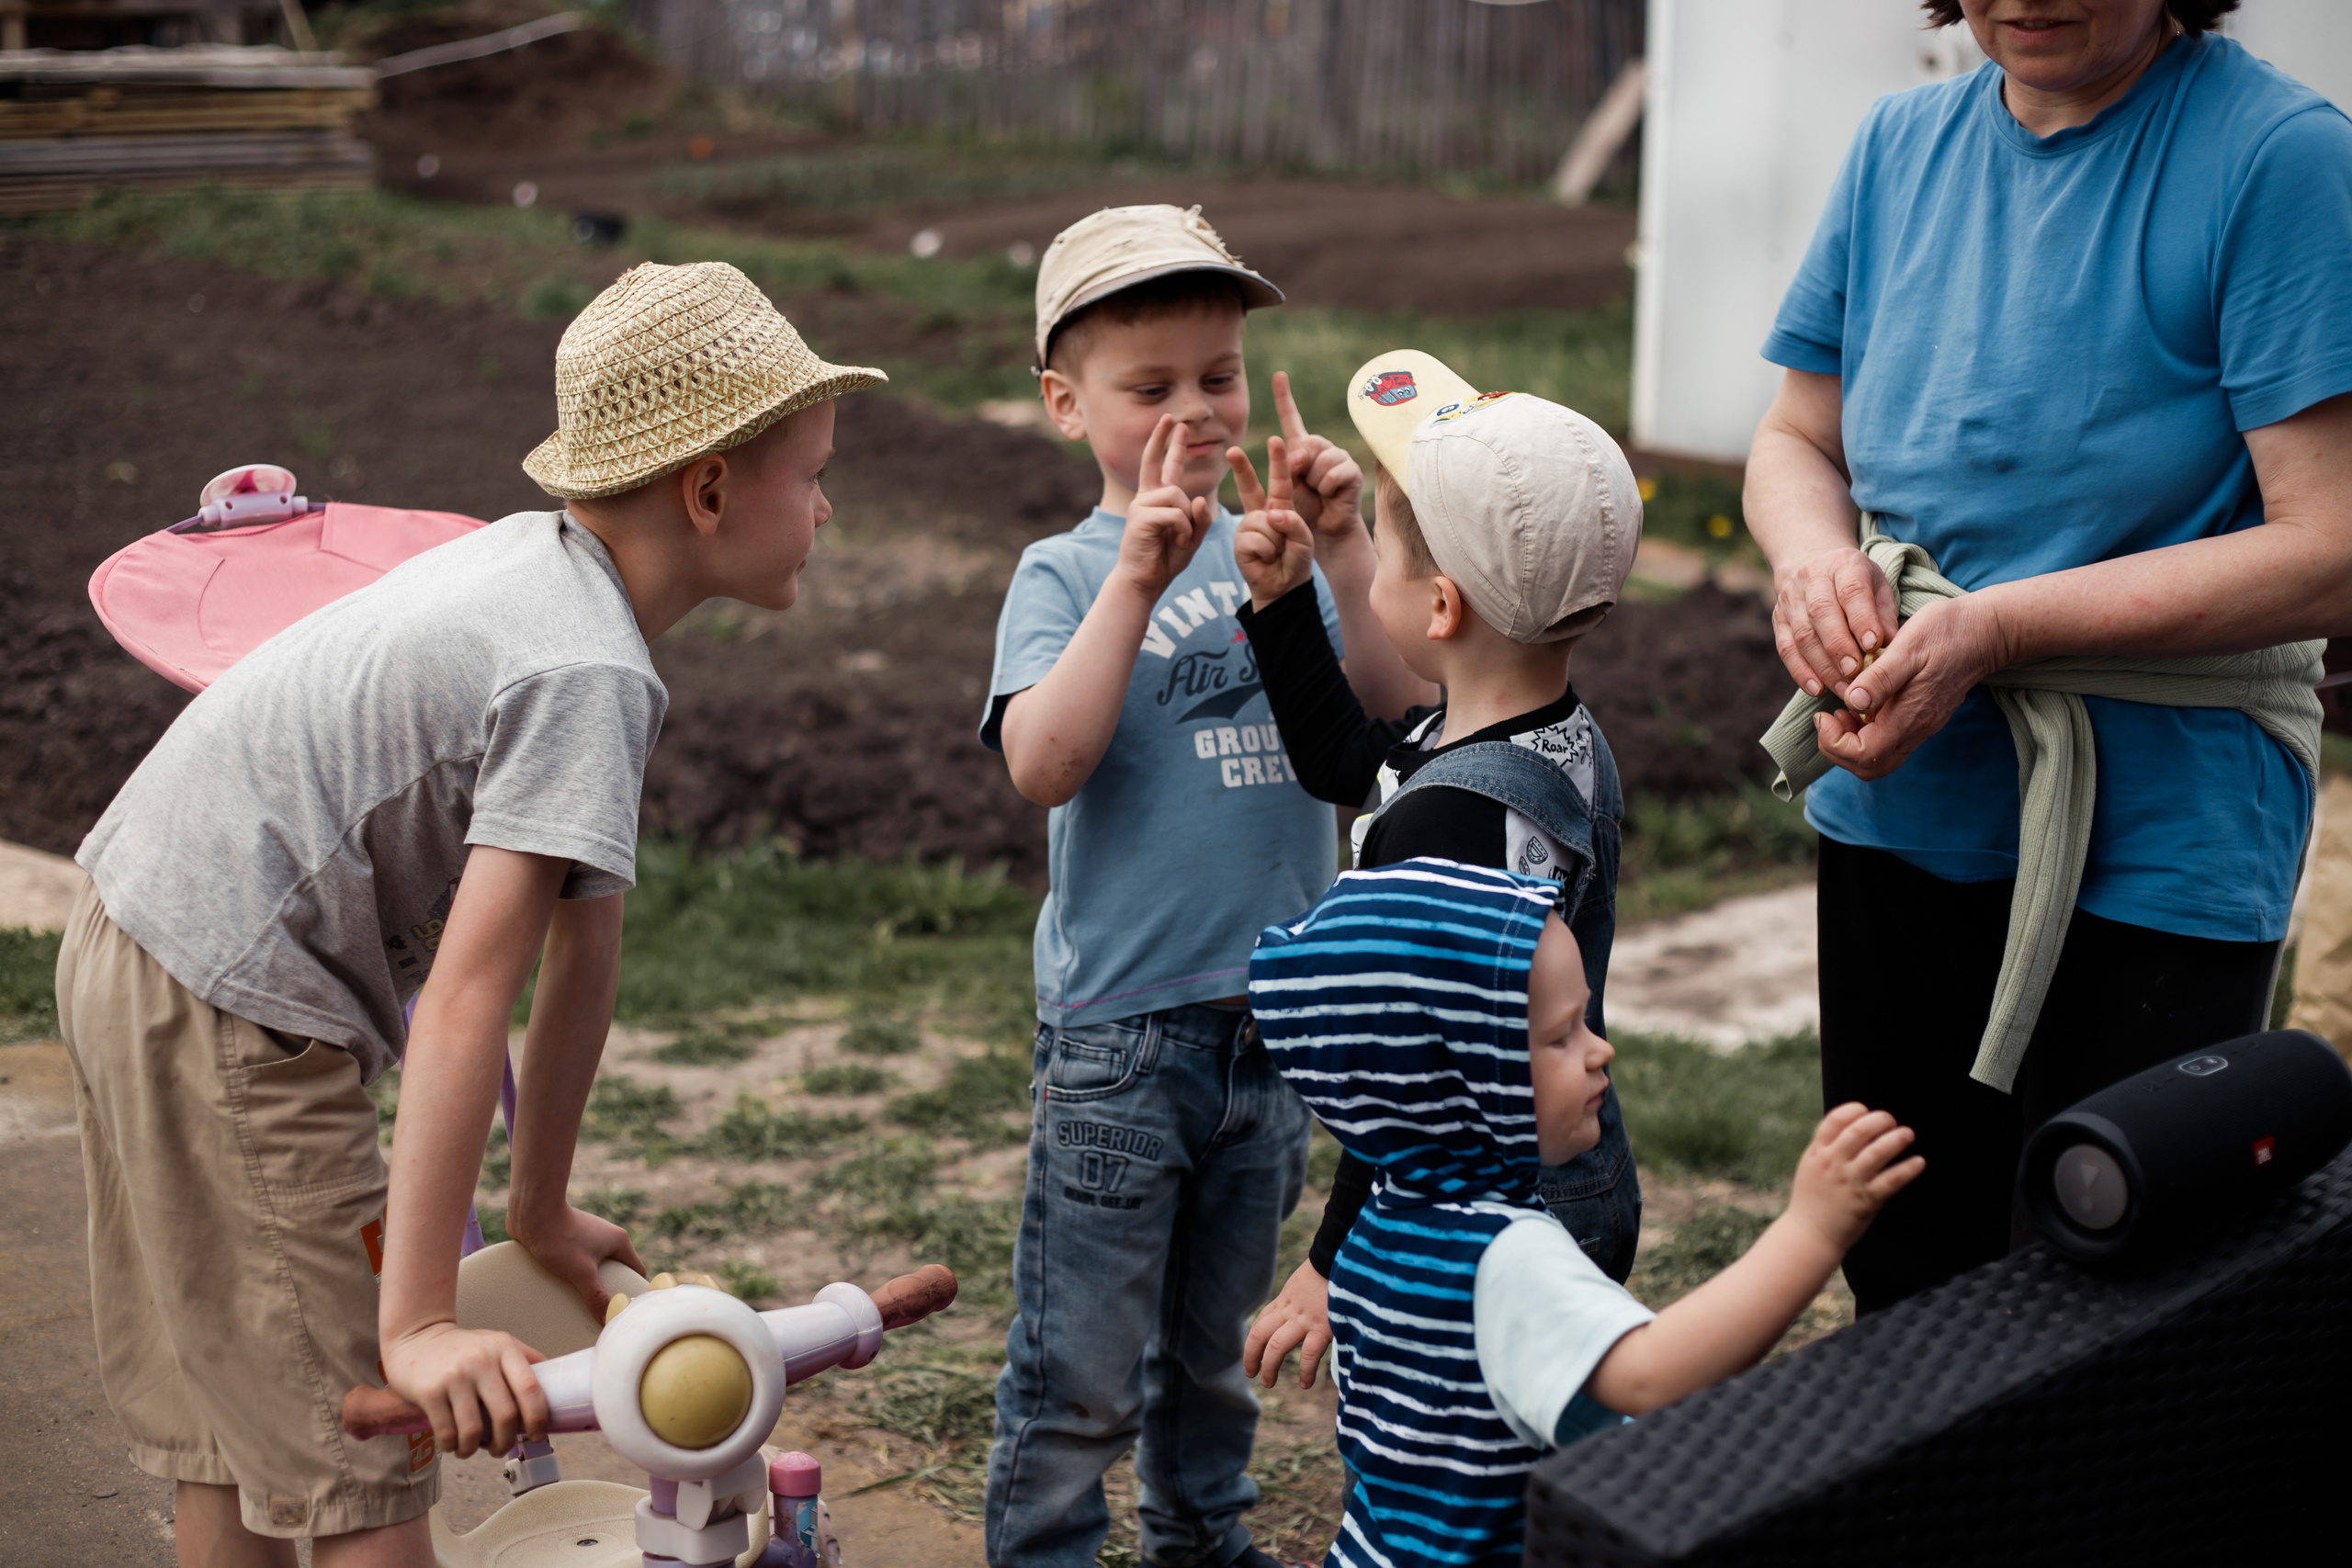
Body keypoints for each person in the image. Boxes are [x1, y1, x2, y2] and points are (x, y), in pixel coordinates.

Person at [54, 261, 883, 1567]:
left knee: (241, 1430)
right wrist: (422, 1321)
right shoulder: (584, 666)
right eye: (812, 473)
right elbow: (464, 1002)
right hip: (227, 993)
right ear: (710, 489)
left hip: (133, 931)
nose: (828, 507)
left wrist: (542, 1209)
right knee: (369, 1447)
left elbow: (580, 948)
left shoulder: (535, 572)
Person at [1744, 0, 2352, 1314]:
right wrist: (1815, 564)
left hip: (2163, 826)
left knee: (2111, 1268)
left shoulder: (2278, 157)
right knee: (1903, 1248)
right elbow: (1797, 438)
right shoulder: (1900, 144)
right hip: (1907, 784)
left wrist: (2002, 627)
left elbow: (2329, 544)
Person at [978, 203, 1427, 1568]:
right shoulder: (1063, 573)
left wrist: (1343, 549)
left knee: (1216, 1353)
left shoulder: (1279, 553)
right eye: (1149, 386)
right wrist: (1135, 580)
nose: (1196, 410)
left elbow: (1387, 722)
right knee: (1083, 1375)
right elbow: (1042, 765)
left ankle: (1202, 1538)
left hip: (1274, 1025)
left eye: (1217, 377)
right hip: (1124, 1038)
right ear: (1066, 403)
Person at [1248, 859, 1922, 1568]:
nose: (1601, 1049)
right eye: (1562, 1034)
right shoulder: (1502, 1257)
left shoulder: (1382, 1224)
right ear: (1463, 1079)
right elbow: (1654, 1375)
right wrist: (1810, 1230)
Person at [1228, 350, 1645, 1392]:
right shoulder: (1550, 741)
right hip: (1575, 1168)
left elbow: (1403, 1084)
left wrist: (1328, 1262)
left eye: (1382, 551)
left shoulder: (1447, 825)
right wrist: (1286, 601)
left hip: (1475, 1220)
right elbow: (1349, 762)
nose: (1366, 572)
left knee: (1450, 1458)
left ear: (1442, 608)